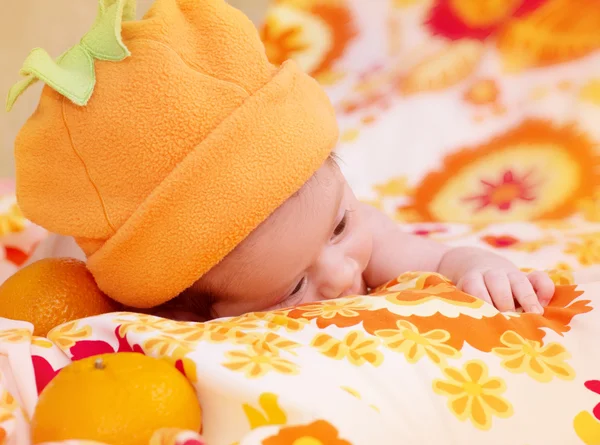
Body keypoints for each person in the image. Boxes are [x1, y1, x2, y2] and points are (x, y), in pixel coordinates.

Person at [8, 0, 553, 323]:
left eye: (340, 225)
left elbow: (437, 262)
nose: (344, 274)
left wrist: (480, 267)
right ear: (193, 311)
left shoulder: (359, 241)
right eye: (293, 288)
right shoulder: (153, 295)